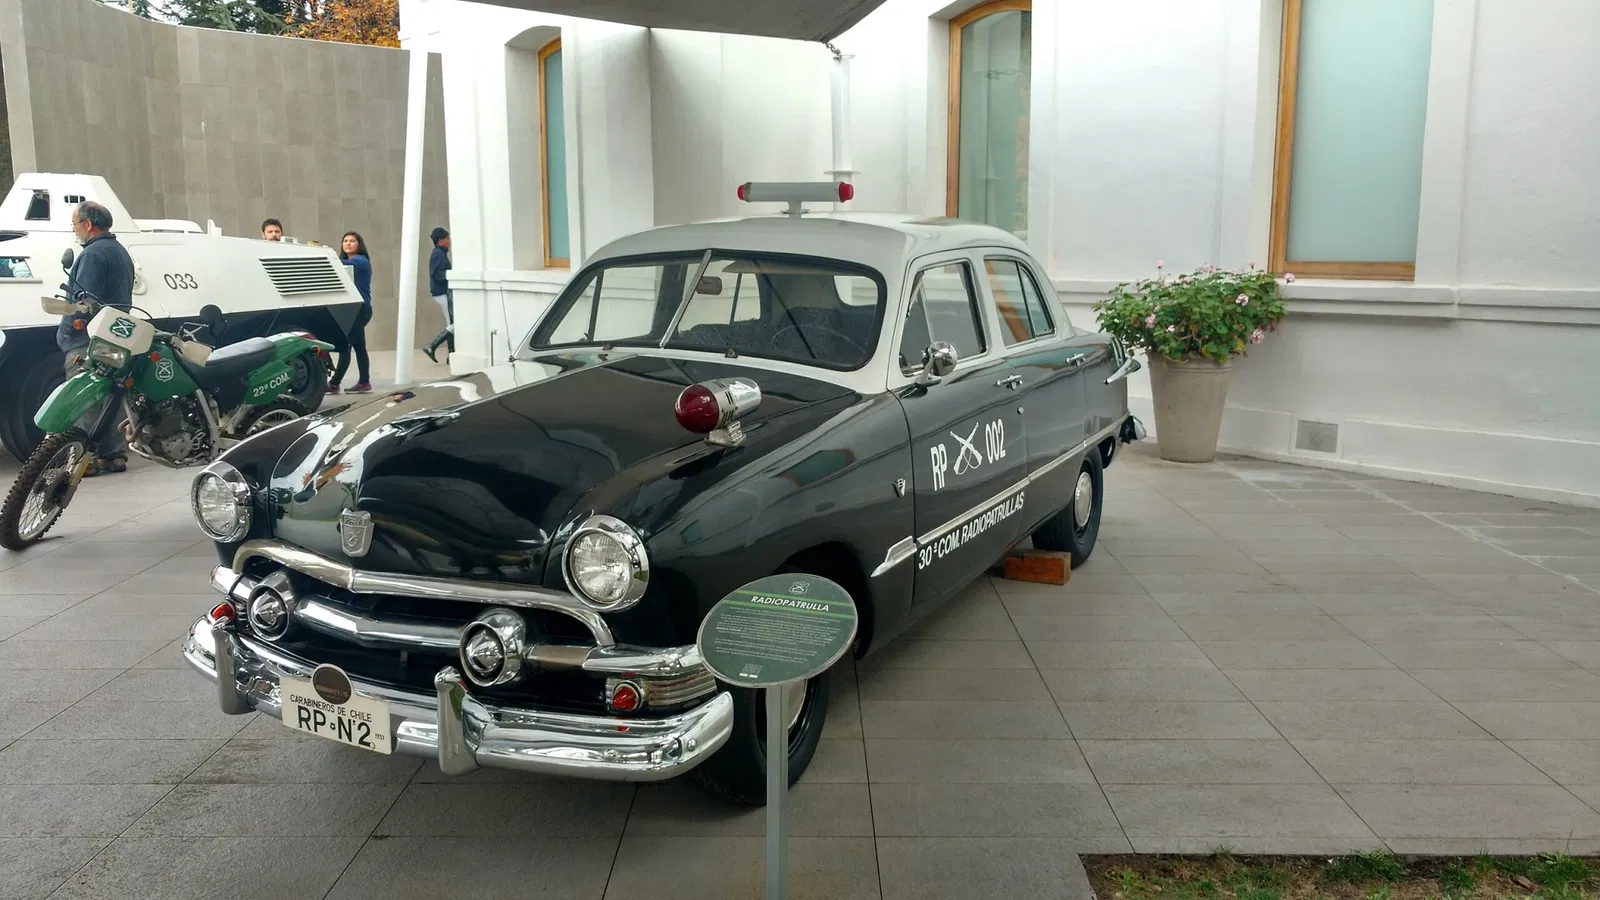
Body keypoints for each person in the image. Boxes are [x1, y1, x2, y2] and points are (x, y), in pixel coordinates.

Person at [55, 201, 135, 475]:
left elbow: (83, 301)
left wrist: (70, 329)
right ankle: (112, 456)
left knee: (83, 398)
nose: (75, 230)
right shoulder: (120, 252)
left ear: (88, 225)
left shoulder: (92, 255)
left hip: (87, 340)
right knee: (112, 397)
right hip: (115, 336)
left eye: (75, 224)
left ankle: (81, 461)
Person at [329, 231, 373, 394]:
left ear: (359, 244)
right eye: (345, 241)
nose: (347, 243)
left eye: (352, 241)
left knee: (345, 345)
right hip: (356, 310)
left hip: (359, 310)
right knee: (359, 346)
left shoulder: (359, 261)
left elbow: (338, 265)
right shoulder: (349, 262)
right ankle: (364, 382)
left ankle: (334, 383)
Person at [424, 226, 452, 363]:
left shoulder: (440, 253)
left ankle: (451, 356)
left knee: (451, 323)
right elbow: (435, 274)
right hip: (441, 292)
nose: (449, 241)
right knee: (453, 324)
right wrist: (450, 275)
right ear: (440, 240)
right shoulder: (438, 254)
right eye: (447, 239)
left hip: (442, 292)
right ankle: (432, 346)